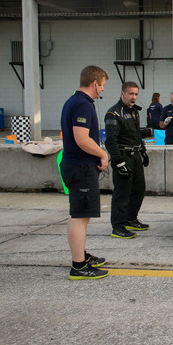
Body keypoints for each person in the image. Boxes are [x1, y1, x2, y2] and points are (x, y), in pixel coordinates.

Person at [60, 65, 110, 280]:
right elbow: (82, 139)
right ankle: (79, 266)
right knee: (80, 217)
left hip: (75, 165)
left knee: (79, 215)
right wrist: (103, 154)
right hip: (81, 167)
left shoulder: (74, 100)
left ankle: (80, 256)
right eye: (103, 85)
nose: (103, 90)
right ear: (94, 83)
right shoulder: (82, 104)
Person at [105, 81, 151, 239]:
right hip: (123, 157)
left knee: (139, 189)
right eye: (130, 94)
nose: (133, 97)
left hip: (135, 156)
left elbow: (135, 134)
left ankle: (131, 218)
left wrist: (143, 151)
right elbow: (110, 142)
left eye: (136, 94)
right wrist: (118, 162)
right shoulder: (113, 113)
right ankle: (117, 226)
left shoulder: (134, 112)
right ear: (122, 93)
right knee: (122, 193)